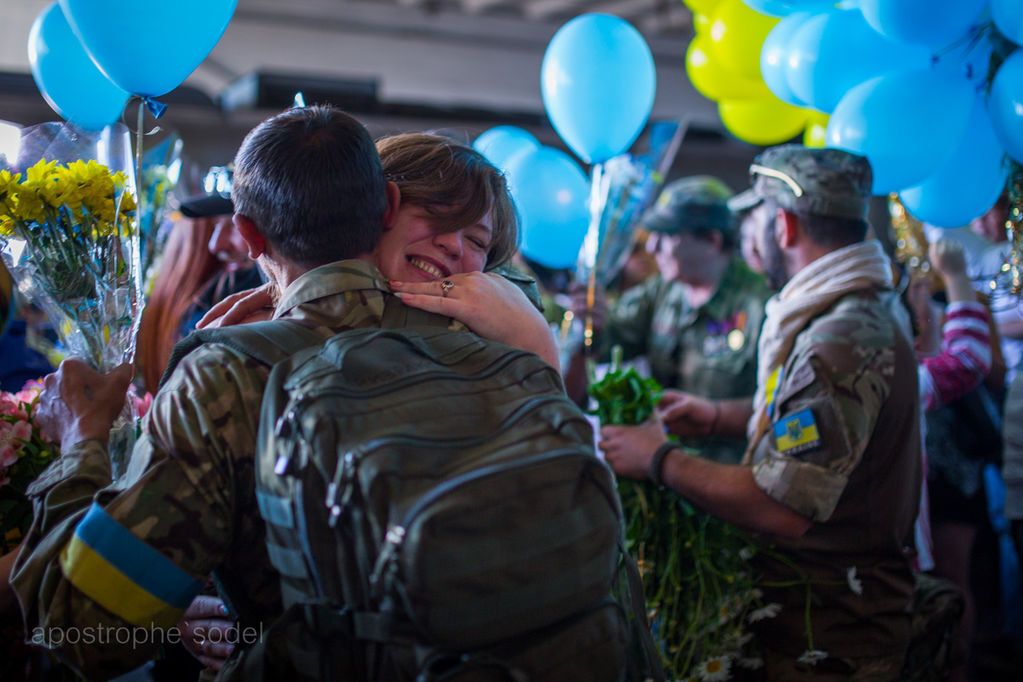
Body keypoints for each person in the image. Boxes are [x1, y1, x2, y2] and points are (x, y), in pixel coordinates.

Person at [10, 108, 556, 679]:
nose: (450, 248)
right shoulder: (493, 353)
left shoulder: (500, 342)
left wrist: (80, 446)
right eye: (436, 217)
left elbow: (84, 628)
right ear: (381, 208)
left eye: (475, 240)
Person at [600, 145, 921, 679]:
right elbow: (821, 421)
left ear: (786, 228)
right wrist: (720, 415)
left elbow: (782, 507)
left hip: (827, 632)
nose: (751, 232)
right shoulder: (853, 312)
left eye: (759, 217)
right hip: (824, 617)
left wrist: (659, 458)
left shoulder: (837, 340)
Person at [565, 176, 772, 464]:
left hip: (728, 475)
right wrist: (589, 324)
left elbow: (777, 409)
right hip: (658, 467)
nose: (652, 248)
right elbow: (603, 342)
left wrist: (715, 417)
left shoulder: (762, 304)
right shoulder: (661, 291)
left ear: (712, 240)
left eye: (667, 235)